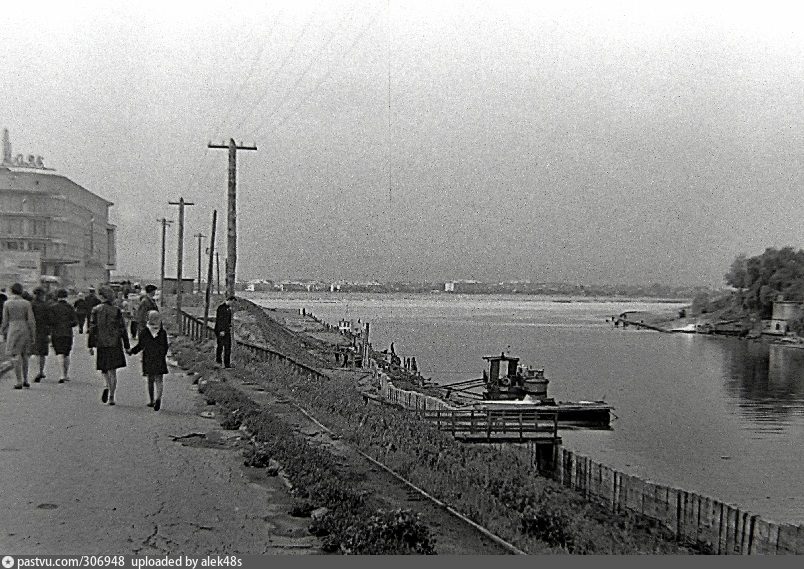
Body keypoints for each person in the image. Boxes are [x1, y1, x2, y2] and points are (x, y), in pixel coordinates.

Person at [88, 286, 129, 406]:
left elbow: (92, 328)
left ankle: (106, 384)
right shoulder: (116, 311)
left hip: (101, 343)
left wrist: (90, 345)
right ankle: (111, 396)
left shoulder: (96, 310)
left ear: (101, 296)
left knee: (104, 369)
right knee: (113, 371)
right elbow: (122, 329)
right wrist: (126, 345)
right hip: (114, 343)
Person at [128, 310, 169, 411]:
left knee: (150, 380)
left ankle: (151, 400)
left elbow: (141, 346)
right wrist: (163, 355)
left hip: (148, 358)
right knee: (159, 380)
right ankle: (158, 398)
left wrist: (131, 351)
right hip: (159, 358)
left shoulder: (145, 332)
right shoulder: (162, 332)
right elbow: (165, 346)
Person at [1, 283, 36, 389]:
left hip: (13, 328)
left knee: (15, 355)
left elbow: (5, 320)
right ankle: (26, 379)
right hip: (24, 328)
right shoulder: (26, 304)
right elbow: (31, 320)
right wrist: (33, 334)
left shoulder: (7, 303)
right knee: (25, 355)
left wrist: (2, 331)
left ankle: (19, 380)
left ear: (12, 291)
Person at [49, 289, 78, 383]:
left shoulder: (53, 307)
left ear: (57, 296)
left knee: (59, 353)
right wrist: (68, 324)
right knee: (67, 354)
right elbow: (75, 322)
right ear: (66, 296)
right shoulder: (70, 307)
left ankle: (61, 374)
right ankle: (65, 374)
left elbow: (51, 321)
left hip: (56, 333)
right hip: (67, 333)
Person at [30, 287, 51, 382]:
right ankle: (41, 371)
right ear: (42, 295)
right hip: (43, 331)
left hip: (33, 330)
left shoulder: (31, 305)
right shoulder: (46, 306)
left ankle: (35, 371)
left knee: (34, 351)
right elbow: (50, 320)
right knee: (42, 353)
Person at [214, 296, 234, 368]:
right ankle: (218, 362)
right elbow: (220, 320)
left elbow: (227, 320)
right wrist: (221, 330)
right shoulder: (221, 308)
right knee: (220, 346)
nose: (232, 303)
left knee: (228, 347)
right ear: (228, 300)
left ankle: (227, 364)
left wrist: (229, 325)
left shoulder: (229, 309)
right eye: (232, 302)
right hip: (221, 330)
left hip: (226, 330)